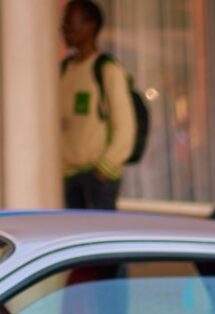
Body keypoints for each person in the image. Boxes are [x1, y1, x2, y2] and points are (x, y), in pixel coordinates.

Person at [59, 0, 136, 211]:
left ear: (90, 25)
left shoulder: (107, 70)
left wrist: (103, 169)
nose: (64, 27)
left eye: (69, 21)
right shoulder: (64, 70)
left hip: (96, 177)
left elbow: (126, 127)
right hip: (67, 176)